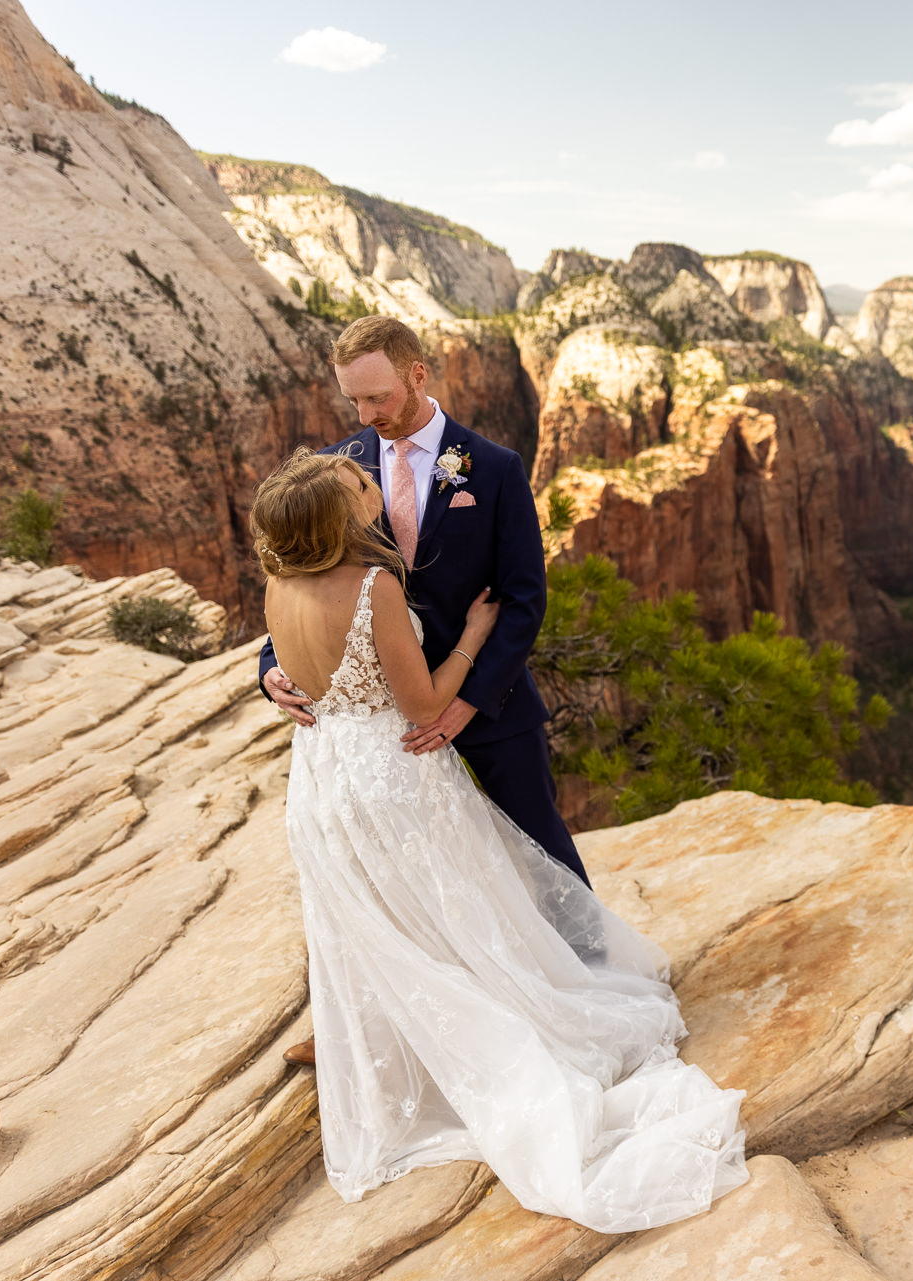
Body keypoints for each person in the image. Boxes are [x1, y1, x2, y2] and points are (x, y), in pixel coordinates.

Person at [251, 447, 747, 1232]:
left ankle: (400, 1039)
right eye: (355, 485)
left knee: (376, 917)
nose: (366, 480)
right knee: (456, 906)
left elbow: (286, 665)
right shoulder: (373, 586)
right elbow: (421, 703)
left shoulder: (281, 579)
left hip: (321, 779)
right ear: (336, 517)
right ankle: (492, 1034)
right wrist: (477, 632)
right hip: (394, 771)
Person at [260, 315, 585, 1066]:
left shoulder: (495, 467)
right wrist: (272, 666)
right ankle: (365, 1015)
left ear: (417, 374)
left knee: (541, 840)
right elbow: (296, 581)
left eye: (376, 397)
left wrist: (464, 704)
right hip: (381, 716)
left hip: (481, 702)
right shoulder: (339, 468)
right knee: (371, 874)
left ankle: (583, 972)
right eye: (353, 402)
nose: (364, 418)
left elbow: (524, 598)